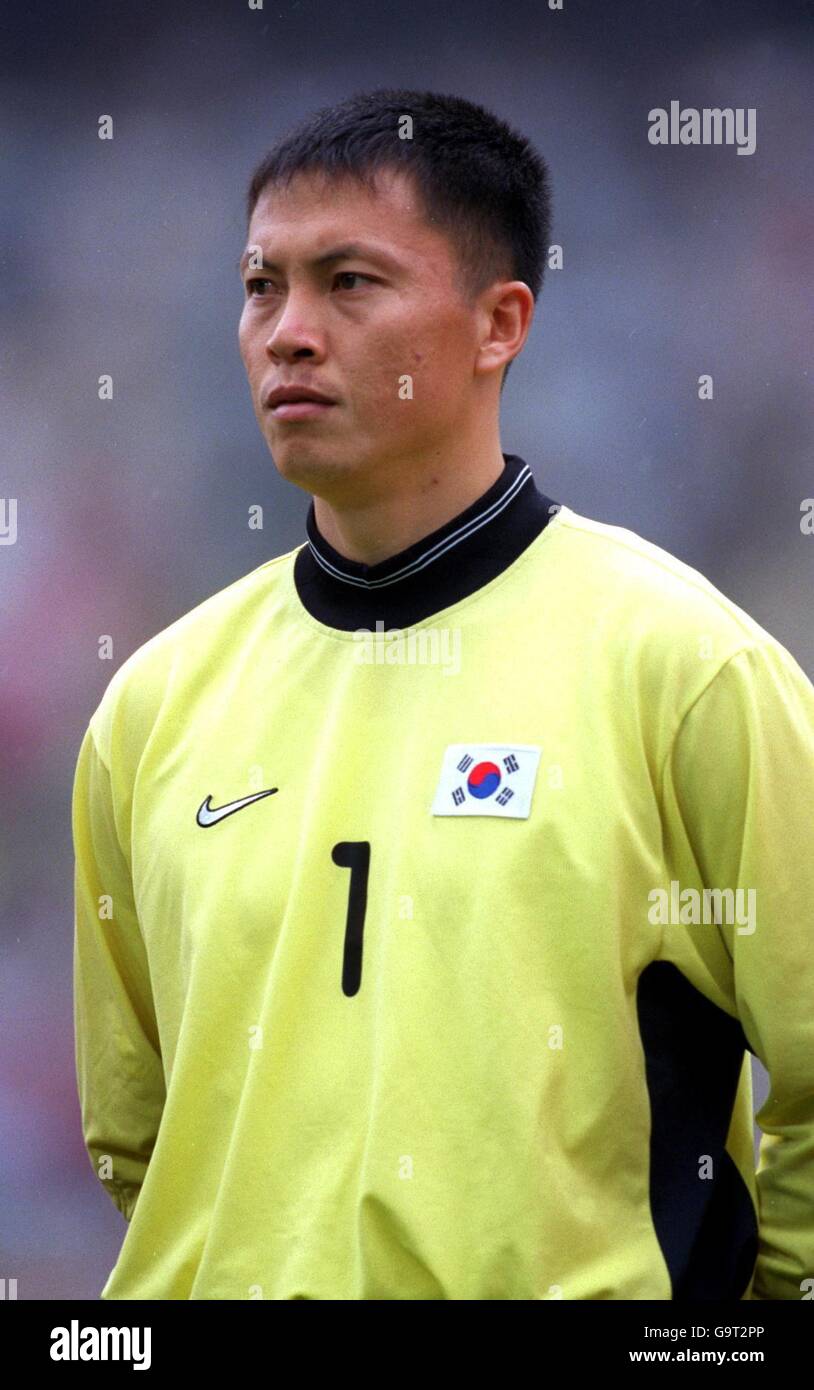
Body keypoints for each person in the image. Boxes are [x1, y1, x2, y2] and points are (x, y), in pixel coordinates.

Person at [72, 87, 814, 1301]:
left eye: (350, 282)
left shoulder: (687, 671)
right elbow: (141, 1140)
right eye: (262, 286)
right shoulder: (152, 706)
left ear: (497, 323)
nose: (287, 332)